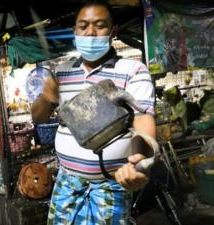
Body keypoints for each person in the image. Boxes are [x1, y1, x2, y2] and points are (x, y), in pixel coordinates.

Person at [31, 2, 156, 224]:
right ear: (75, 32)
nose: (90, 32)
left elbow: (143, 119)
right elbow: (37, 117)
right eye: (83, 26)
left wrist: (139, 161)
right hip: (67, 184)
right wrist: (46, 98)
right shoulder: (61, 72)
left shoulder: (132, 70)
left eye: (100, 25)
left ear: (113, 31)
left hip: (112, 186)